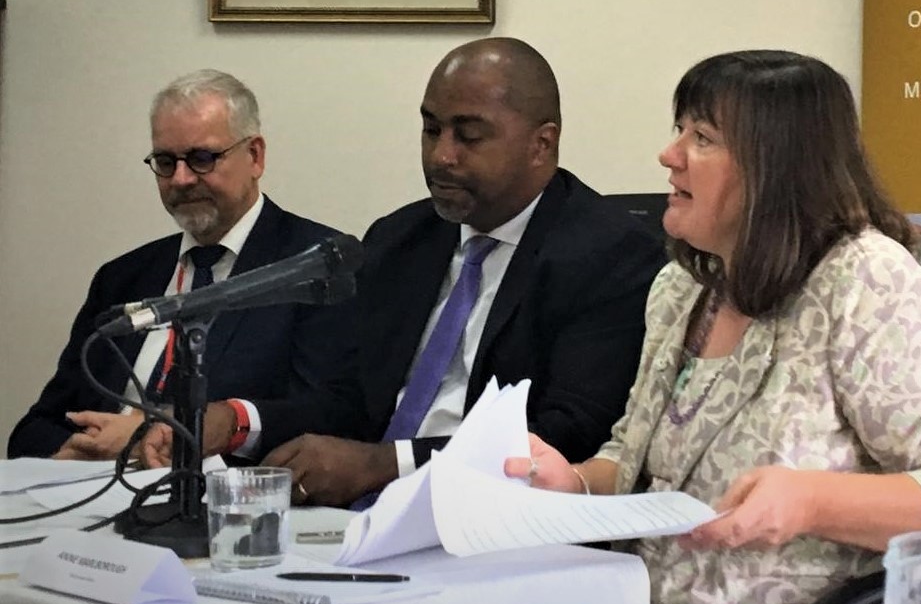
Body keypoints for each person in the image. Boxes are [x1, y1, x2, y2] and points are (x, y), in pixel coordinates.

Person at [507, 50, 921, 604]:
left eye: (702, 138)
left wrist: (813, 500)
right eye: (680, 131)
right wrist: (579, 482)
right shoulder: (682, 288)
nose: (669, 156)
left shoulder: (867, 284)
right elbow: (645, 457)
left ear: (776, 170)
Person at [160, 38, 665, 507]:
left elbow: (566, 433)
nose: (441, 155)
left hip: (489, 520)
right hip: (352, 517)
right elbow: (350, 398)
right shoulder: (401, 239)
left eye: (469, 135)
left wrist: (386, 465)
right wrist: (237, 422)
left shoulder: (610, 255)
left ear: (541, 144)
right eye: (431, 130)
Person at [8, 70, 341, 461]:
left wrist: (156, 436)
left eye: (201, 159)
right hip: (91, 494)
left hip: (219, 505)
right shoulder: (122, 278)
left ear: (255, 156)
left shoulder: (313, 266)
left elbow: (331, 417)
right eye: (166, 162)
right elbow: (36, 428)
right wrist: (72, 451)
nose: (180, 179)